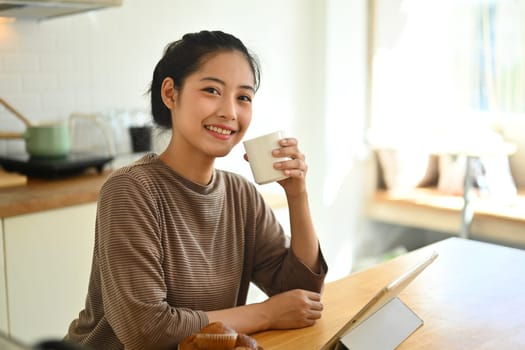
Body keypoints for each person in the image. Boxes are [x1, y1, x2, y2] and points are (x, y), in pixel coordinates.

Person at [65, 30, 327, 350]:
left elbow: (302, 298)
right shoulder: (130, 191)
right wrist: (265, 314)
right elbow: (145, 330)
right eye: (212, 90)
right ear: (170, 94)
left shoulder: (240, 195)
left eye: (243, 97)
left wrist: (298, 195)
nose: (230, 112)